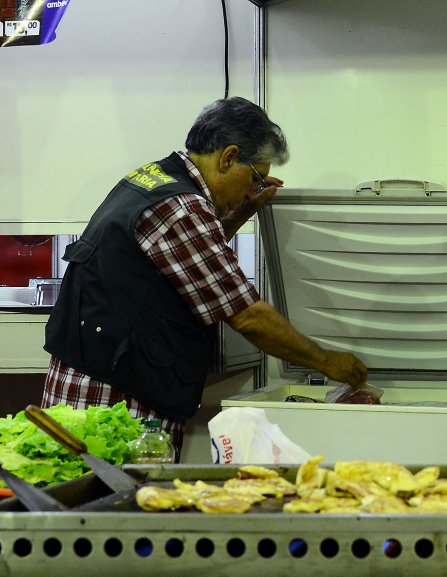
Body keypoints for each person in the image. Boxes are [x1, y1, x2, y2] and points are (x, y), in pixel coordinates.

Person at [42, 97, 368, 460]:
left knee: (79, 489)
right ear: (228, 157)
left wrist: (242, 212)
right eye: (255, 177)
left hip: (92, 382)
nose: (252, 189)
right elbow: (247, 315)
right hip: (115, 401)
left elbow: (184, 259)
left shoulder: (154, 178)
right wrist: (327, 361)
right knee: (118, 493)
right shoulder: (182, 207)